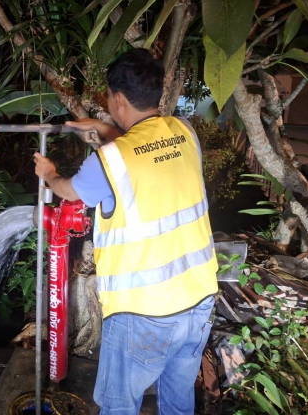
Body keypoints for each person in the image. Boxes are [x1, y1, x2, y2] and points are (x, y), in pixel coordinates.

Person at [34, 49, 218, 414]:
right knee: (178, 401)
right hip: (199, 299)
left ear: (118, 99)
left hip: (144, 310)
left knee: (119, 406)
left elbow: (69, 191)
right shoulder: (184, 131)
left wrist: (49, 173)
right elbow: (147, 151)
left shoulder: (110, 160)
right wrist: (106, 131)